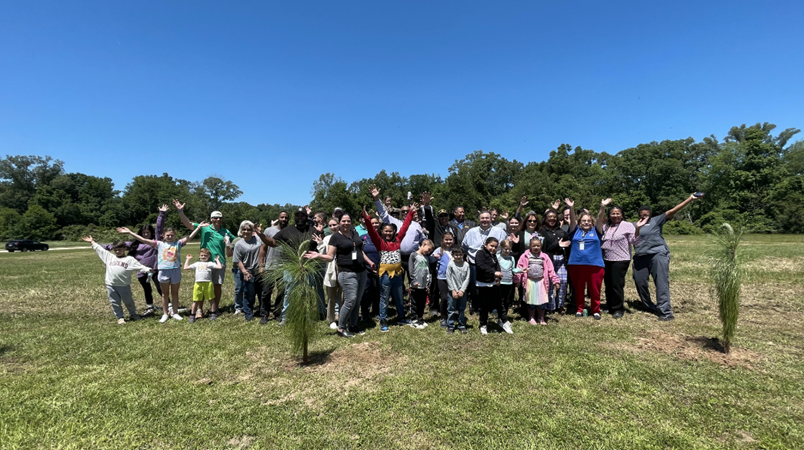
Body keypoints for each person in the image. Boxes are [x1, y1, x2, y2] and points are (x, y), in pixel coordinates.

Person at [634, 193, 702, 321]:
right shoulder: (633, 225)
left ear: (650, 214)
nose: (644, 216)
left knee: (661, 283)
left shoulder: (656, 221)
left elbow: (672, 210)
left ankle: (665, 311)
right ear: (639, 215)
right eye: (642, 214)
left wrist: (690, 199)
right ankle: (649, 305)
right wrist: (638, 227)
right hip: (641, 256)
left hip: (658, 254)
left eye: (647, 214)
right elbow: (633, 239)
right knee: (639, 281)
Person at [119, 222, 205, 323]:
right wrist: (130, 232)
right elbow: (143, 240)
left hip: (175, 271)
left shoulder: (178, 243)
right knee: (165, 294)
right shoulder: (159, 244)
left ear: (175, 235)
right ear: (163, 235)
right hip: (163, 272)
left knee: (175, 293)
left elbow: (189, 237)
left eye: (172, 235)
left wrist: (198, 227)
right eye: (168, 235)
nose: (170, 237)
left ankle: (175, 312)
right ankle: (165, 314)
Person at [306, 212, 374, 337]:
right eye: (343, 221)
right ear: (340, 222)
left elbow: (359, 251)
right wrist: (318, 255)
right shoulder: (335, 237)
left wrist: (369, 262)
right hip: (347, 273)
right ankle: (341, 328)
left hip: (362, 271)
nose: (346, 223)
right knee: (350, 300)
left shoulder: (355, 233)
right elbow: (330, 256)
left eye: (348, 221)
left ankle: (353, 325)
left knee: (357, 300)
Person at [258, 208, 324, 326]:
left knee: (307, 293)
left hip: (308, 266)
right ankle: (286, 317)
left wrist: (321, 232)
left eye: (302, 216)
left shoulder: (312, 230)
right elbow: (273, 243)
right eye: (297, 216)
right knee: (289, 292)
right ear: (295, 217)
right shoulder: (287, 230)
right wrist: (261, 235)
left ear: (305, 217)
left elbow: (320, 243)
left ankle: (307, 316)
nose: (300, 218)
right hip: (290, 267)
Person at [175, 200, 236, 320]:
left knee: (217, 285)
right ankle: (199, 310)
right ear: (211, 218)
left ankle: (215, 308)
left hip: (219, 262)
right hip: (204, 262)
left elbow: (236, 240)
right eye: (216, 218)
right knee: (202, 286)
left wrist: (254, 235)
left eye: (220, 218)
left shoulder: (225, 231)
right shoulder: (204, 228)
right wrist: (180, 211)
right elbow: (187, 224)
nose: (218, 220)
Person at [361, 204, 417, 332]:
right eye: (385, 231)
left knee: (398, 296)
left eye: (390, 231)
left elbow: (405, 227)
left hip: (397, 275)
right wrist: (367, 217)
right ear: (382, 232)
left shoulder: (398, 240)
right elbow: (371, 230)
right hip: (385, 275)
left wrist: (411, 213)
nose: (388, 233)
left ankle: (401, 317)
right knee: (384, 297)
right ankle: (383, 319)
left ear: (394, 232)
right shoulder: (379, 242)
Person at [104, 204, 166, 315]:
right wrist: (95, 244)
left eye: (148, 232)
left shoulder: (155, 242)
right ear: (140, 233)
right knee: (147, 290)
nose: (146, 234)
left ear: (151, 233)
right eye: (143, 233)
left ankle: (168, 306)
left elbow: (159, 228)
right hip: (142, 271)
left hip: (155, 269)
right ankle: (150, 308)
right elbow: (116, 246)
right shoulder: (134, 244)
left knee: (160, 288)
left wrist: (161, 214)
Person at [84, 236, 154, 324]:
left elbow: (140, 267)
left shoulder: (129, 260)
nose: (117, 252)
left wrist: (148, 270)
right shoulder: (109, 257)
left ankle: (133, 314)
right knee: (114, 302)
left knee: (128, 301)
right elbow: (100, 250)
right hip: (111, 285)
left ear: (125, 249)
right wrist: (92, 242)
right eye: (115, 250)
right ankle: (120, 317)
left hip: (124, 285)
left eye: (119, 249)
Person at [564, 198, 605, 320]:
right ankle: (579, 308)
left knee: (594, 289)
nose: (586, 223)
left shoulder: (596, 231)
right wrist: (571, 208)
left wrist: (602, 207)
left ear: (591, 222)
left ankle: (596, 310)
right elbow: (571, 221)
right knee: (579, 289)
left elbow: (599, 219)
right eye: (583, 221)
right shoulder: (574, 231)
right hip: (576, 264)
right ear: (579, 222)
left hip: (595, 265)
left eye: (588, 221)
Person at [461, 211, 508, 313]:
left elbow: (505, 246)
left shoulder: (499, 231)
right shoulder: (471, 232)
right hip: (475, 264)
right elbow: (464, 246)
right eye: (482, 218)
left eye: (487, 218)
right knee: (475, 287)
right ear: (479, 219)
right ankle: (476, 306)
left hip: (493, 263)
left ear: (491, 219)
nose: (485, 220)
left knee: (493, 286)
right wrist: (467, 256)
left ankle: (492, 307)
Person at [597, 199, 636, 319]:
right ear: (609, 215)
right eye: (613, 213)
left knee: (616, 284)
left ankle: (618, 308)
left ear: (622, 214)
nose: (615, 215)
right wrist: (602, 207)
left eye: (618, 213)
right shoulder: (606, 226)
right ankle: (610, 306)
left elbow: (633, 241)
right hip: (606, 258)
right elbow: (597, 222)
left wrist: (638, 229)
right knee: (608, 283)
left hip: (621, 259)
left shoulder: (628, 225)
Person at [233, 220, 275, 322]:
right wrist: (244, 272)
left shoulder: (257, 239)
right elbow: (238, 260)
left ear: (252, 230)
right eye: (244, 229)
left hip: (260, 270)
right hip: (248, 271)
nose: (246, 231)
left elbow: (265, 245)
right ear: (241, 231)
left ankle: (263, 312)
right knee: (249, 293)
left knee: (262, 293)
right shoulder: (239, 244)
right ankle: (249, 312)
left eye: (248, 229)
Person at [515, 237, 560, 325]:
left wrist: (555, 281)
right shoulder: (525, 256)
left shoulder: (545, 257)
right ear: (529, 246)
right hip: (529, 281)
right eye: (534, 245)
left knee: (541, 301)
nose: (536, 247)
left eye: (538, 246)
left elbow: (551, 270)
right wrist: (517, 279)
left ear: (541, 246)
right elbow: (519, 268)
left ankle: (541, 317)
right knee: (531, 301)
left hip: (541, 282)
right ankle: (531, 317)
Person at [475, 237, 513, 335]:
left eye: (495, 247)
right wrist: (494, 273)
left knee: (500, 303)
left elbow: (497, 266)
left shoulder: (493, 255)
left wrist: (498, 277)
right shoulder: (480, 253)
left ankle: (504, 322)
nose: (493, 248)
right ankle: (483, 325)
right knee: (485, 306)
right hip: (483, 283)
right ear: (486, 244)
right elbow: (480, 266)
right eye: (491, 246)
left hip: (493, 283)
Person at [257, 212, 289, 324]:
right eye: (282, 217)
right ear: (278, 218)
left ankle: (277, 313)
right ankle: (264, 314)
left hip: (284, 268)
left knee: (282, 292)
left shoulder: (290, 231)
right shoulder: (269, 231)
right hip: (270, 266)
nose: (284, 219)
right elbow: (263, 249)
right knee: (266, 292)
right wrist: (261, 266)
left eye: (286, 217)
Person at [539, 208, 571, 313]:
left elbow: (568, 243)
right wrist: (558, 245)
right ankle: (550, 306)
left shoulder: (561, 231)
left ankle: (560, 305)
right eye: (549, 217)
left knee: (563, 282)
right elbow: (544, 248)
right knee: (550, 283)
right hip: (548, 259)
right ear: (545, 219)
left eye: (554, 217)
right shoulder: (541, 231)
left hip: (561, 258)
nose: (552, 219)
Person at [183, 249, 223, 323]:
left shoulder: (210, 263)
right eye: (202, 255)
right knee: (196, 300)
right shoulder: (197, 263)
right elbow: (185, 268)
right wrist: (187, 259)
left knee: (211, 299)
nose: (203, 256)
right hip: (198, 284)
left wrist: (217, 260)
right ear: (199, 256)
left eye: (205, 255)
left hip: (208, 284)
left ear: (209, 256)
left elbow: (219, 267)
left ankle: (213, 313)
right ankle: (192, 315)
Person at [317, 218, 342, 329]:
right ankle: (331, 319)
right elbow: (323, 254)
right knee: (331, 297)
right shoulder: (327, 238)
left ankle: (342, 318)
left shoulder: (345, 236)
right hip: (331, 269)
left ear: (339, 224)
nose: (333, 227)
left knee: (343, 297)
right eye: (330, 225)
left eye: (335, 225)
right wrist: (320, 243)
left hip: (343, 268)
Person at [408, 239, 435, 329]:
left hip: (424, 285)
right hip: (415, 285)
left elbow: (428, 270)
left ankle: (420, 318)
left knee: (422, 303)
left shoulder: (426, 257)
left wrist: (428, 283)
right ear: (424, 245)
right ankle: (413, 320)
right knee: (414, 303)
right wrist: (413, 281)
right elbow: (410, 269)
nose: (429, 252)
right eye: (429, 249)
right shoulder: (413, 255)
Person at [432, 232, 456, 328]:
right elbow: (430, 259)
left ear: (453, 240)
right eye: (446, 239)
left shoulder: (455, 250)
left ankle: (452, 316)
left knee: (453, 298)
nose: (448, 241)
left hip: (454, 278)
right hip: (442, 278)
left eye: (450, 239)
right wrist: (434, 257)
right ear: (442, 240)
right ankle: (443, 317)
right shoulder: (439, 250)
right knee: (444, 298)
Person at [359, 216, 382, 321]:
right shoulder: (363, 238)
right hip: (367, 268)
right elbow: (360, 251)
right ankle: (365, 313)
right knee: (366, 291)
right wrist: (369, 262)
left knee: (378, 291)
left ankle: (377, 311)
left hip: (381, 269)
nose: (375, 225)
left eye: (376, 223)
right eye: (372, 223)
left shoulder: (383, 237)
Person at [446, 247, 470, 334]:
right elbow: (448, 278)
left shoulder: (466, 265)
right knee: (451, 309)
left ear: (463, 255)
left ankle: (462, 325)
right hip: (452, 291)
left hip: (462, 291)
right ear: (453, 255)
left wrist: (462, 290)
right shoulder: (450, 264)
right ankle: (450, 326)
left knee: (461, 309)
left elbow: (467, 278)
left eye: (460, 254)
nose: (458, 256)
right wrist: (453, 290)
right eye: (456, 255)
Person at [498, 239, 519, 317]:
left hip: (509, 283)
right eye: (505, 249)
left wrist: (521, 270)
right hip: (500, 283)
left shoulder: (511, 258)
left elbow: (513, 269)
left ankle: (504, 316)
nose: (507, 251)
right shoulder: (498, 257)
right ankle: (500, 315)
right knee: (500, 301)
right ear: (501, 248)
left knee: (507, 301)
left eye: (509, 249)